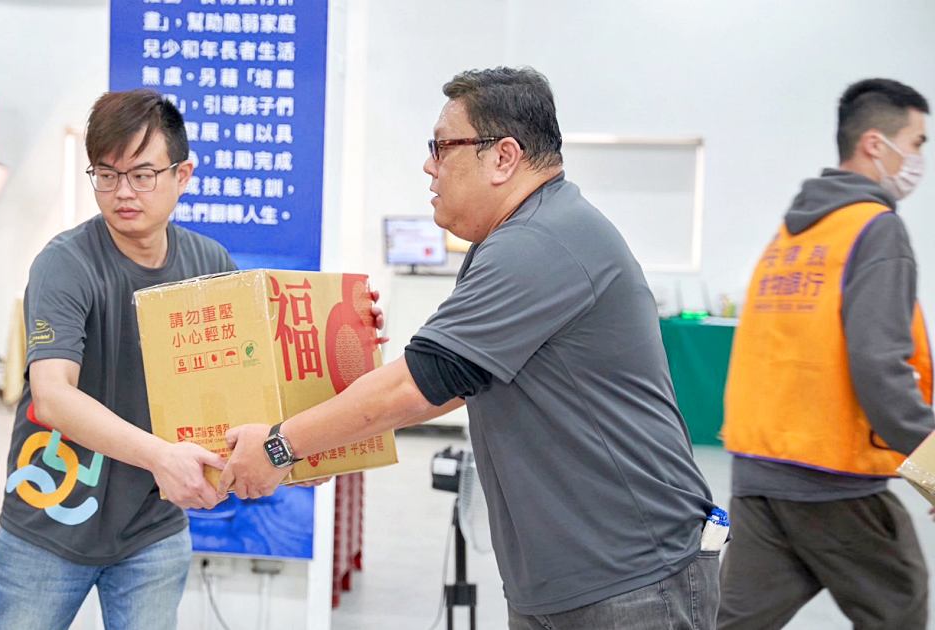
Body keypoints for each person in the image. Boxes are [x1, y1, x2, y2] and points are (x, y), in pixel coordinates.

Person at [221, 66, 720, 630]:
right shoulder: (515, 237)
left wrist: (281, 447)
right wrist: (316, 445)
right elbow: (458, 382)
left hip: (630, 578)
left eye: (441, 147)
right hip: (568, 576)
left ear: (503, 157)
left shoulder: (540, 241)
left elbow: (419, 382)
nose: (429, 166)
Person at [0, 89, 237, 630]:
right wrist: (161, 457)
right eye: (106, 174)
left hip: (151, 527)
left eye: (142, 175)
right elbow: (53, 396)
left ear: (183, 175)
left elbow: (248, 378)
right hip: (51, 519)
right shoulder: (65, 264)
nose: (122, 192)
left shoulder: (209, 263)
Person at [719, 78, 933, 630]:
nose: (919, 159)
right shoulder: (875, 230)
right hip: (832, 478)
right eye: (917, 143)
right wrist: (933, 465)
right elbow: (879, 367)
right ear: (874, 144)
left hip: (759, 472)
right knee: (899, 606)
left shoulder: (790, 237)